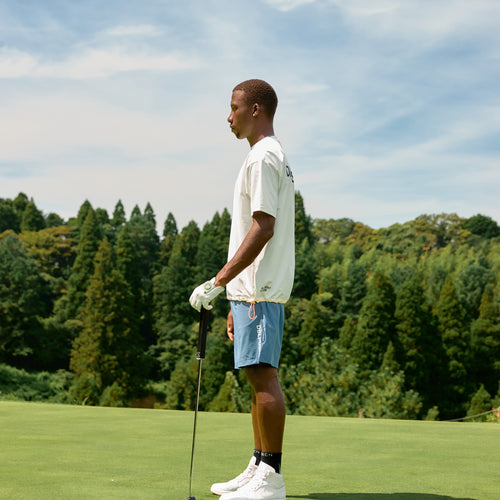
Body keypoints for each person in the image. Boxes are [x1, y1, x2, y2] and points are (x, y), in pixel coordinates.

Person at [189, 79, 295, 500]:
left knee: (263, 375)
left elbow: (263, 227)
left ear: (255, 110)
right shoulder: (265, 157)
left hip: (261, 287)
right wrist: (234, 297)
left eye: (234, 108)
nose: (227, 116)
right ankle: (259, 464)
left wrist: (219, 282)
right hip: (251, 291)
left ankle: (272, 477)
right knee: (255, 375)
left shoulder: (265, 157)